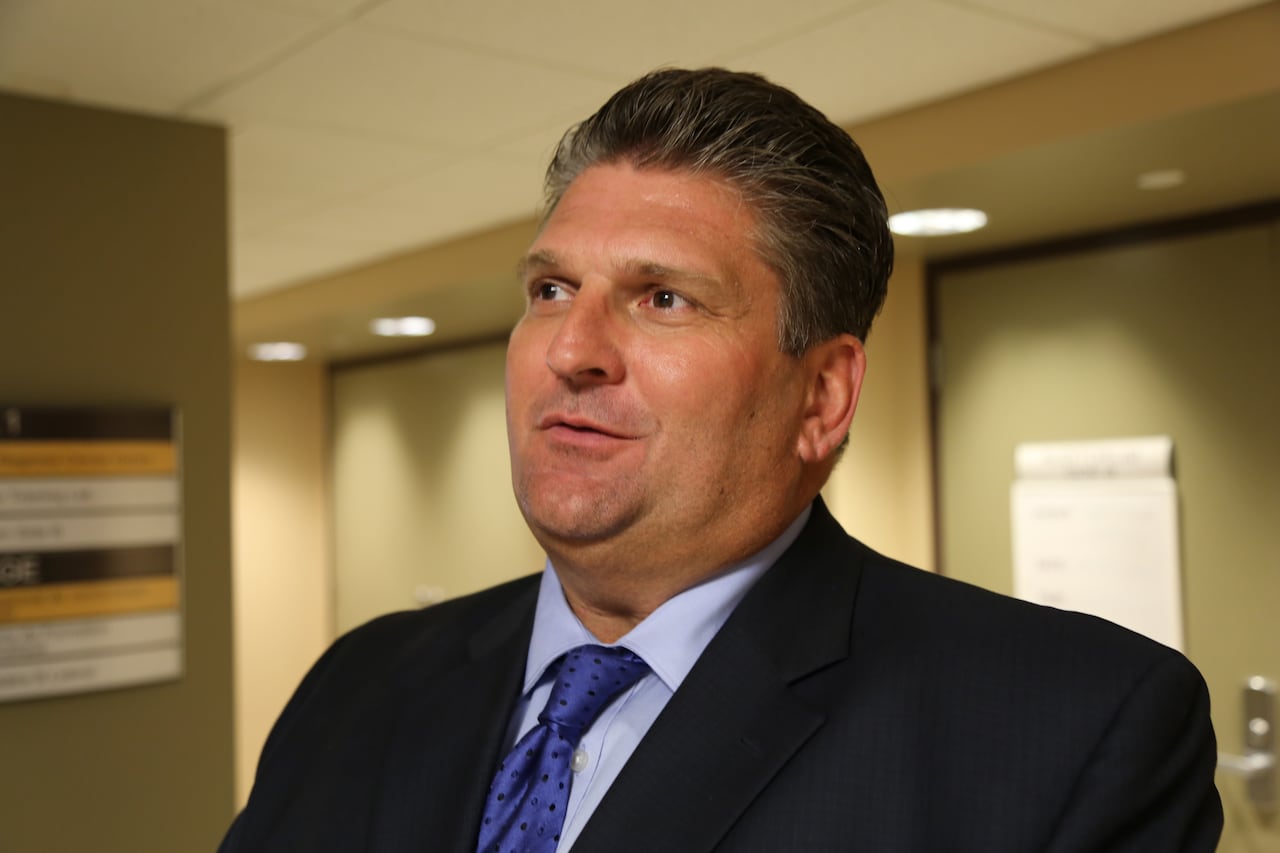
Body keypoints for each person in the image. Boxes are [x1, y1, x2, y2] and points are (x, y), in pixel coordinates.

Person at [221, 68, 1222, 852]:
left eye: (663, 298)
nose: (571, 350)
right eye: (551, 290)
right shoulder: (360, 682)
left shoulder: (1068, 730)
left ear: (820, 396)